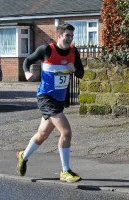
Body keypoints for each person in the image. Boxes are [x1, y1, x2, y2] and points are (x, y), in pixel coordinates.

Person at [16, 23, 84, 183]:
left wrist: (74, 69)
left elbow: (81, 74)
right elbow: (27, 61)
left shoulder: (74, 52)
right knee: (66, 132)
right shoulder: (46, 50)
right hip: (45, 97)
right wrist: (26, 73)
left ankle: (23, 156)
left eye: (72, 36)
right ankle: (65, 171)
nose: (70, 39)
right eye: (67, 36)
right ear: (59, 35)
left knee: (43, 134)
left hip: (59, 99)